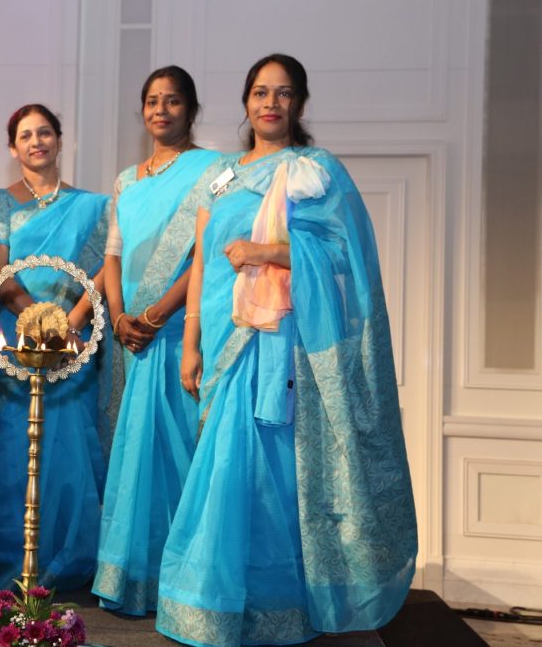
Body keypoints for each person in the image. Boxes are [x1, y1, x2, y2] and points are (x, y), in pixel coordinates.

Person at [157, 53, 417, 646]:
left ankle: (275, 605)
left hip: (280, 345)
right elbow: (202, 263)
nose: (270, 103)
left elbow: (346, 258)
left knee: (266, 469)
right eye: (260, 92)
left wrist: (266, 252)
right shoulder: (220, 174)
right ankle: (214, 606)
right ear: (245, 102)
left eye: (282, 92)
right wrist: (190, 343)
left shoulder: (315, 170)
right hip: (222, 340)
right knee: (221, 468)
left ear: (298, 103)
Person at [92, 66, 220, 615]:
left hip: (181, 332)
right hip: (133, 338)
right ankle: (136, 577)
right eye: (152, 101)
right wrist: (121, 317)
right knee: (136, 454)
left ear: (192, 110)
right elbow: (113, 255)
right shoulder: (127, 180)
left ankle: (185, 580)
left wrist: (158, 313)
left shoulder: (214, 170)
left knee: (181, 449)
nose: (160, 110)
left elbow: (208, 253)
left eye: (172, 101)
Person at [0, 104, 112, 591]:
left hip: (73, 341)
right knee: (16, 442)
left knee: (72, 442)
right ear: (13, 148)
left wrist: (67, 325)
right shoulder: (0, 202)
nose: (36, 142)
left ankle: (72, 558)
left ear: (60, 140)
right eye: (26, 135)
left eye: (45, 132)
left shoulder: (92, 207)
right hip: (18, 338)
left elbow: (104, 269)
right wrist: (38, 321)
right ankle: (15, 562)